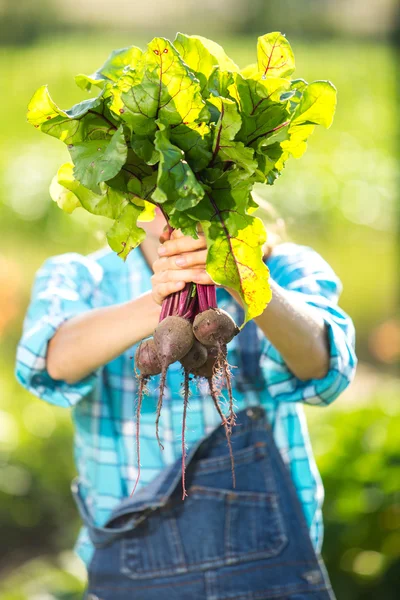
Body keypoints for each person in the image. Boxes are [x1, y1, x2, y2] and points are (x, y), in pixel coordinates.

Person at [15, 204, 357, 599]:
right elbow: (51, 362)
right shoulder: (82, 276)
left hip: (268, 568)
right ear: (125, 192)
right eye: (158, 186)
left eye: (195, 186)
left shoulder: (284, 267)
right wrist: (162, 298)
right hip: (133, 567)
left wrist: (244, 280)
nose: (180, 205)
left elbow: (323, 367)